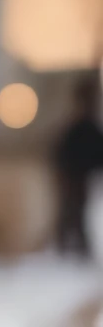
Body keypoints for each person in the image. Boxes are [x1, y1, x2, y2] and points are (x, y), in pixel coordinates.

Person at [52, 71, 103, 257]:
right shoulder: (77, 128)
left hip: (86, 178)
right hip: (75, 177)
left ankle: (80, 247)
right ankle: (71, 247)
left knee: (82, 214)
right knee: (72, 212)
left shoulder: (87, 128)